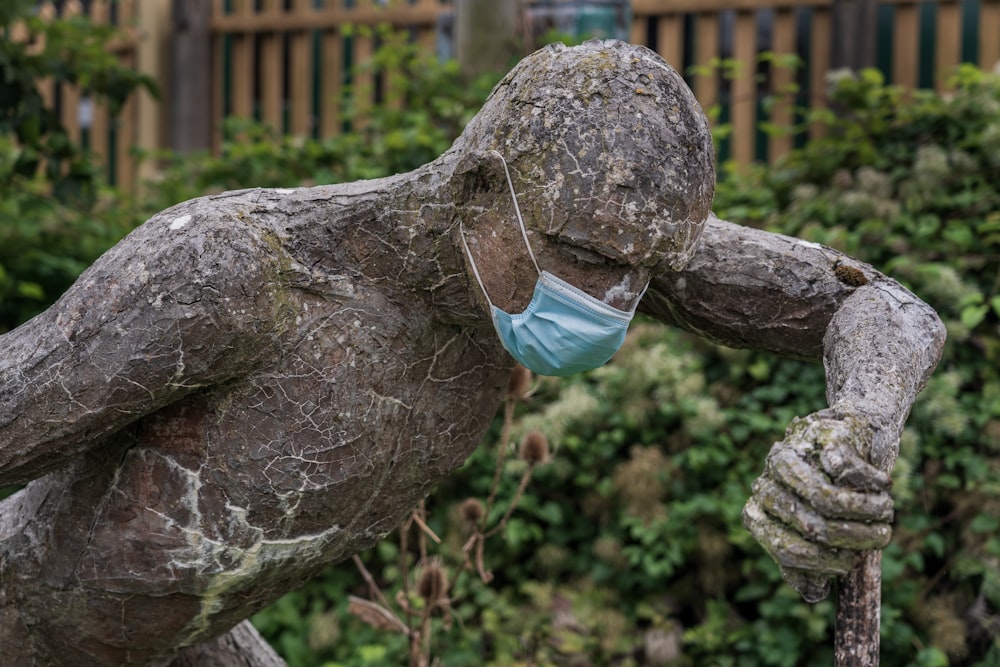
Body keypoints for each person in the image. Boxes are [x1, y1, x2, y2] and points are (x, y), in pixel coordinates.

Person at [0, 40, 944, 665]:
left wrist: (855, 423)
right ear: (483, 194)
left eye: (647, 272)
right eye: (597, 264)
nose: (618, 300)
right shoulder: (236, 276)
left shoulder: (595, 234)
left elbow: (882, 309)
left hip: (181, 633)